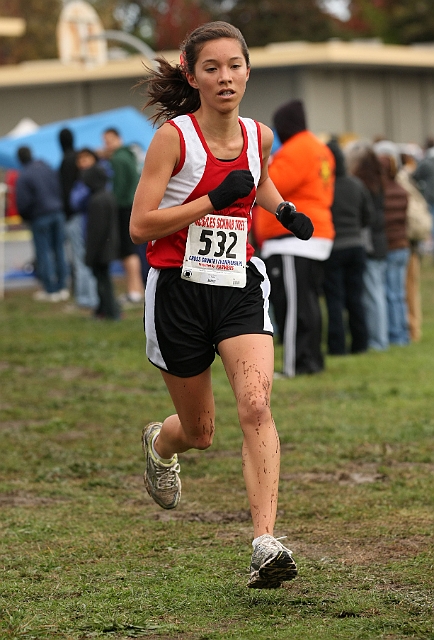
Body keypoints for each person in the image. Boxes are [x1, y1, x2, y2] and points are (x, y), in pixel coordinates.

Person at [130, 21, 313, 589]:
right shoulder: (175, 140)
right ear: (193, 75)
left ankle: (265, 542)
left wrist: (283, 213)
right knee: (200, 430)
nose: (225, 77)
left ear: (247, 69)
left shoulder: (259, 135)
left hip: (238, 285)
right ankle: (162, 445)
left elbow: (256, 182)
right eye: (211, 67)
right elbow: (140, 225)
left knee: (256, 406)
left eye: (234, 65)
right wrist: (212, 198)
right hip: (178, 291)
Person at [253, 99, 335, 377]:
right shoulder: (319, 148)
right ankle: (312, 360)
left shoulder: (296, 150)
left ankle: (294, 365)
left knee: (292, 306)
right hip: (316, 235)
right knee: (308, 304)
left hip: (291, 239)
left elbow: (269, 184)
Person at [323, 138, 373, 355]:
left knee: (334, 299)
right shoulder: (356, 184)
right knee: (356, 297)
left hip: (333, 248)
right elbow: (367, 216)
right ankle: (361, 344)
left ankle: (337, 346)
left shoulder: (325, 186)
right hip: (356, 246)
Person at [346, 141, 389, 351]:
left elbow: (367, 218)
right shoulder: (380, 181)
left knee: (373, 293)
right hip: (381, 242)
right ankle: (383, 337)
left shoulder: (362, 183)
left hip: (370, 244)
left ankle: (378, 341)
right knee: (380, 292)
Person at [70, 148, 121, 320]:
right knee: (104, 280)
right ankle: (103, 309)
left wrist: (90, 255)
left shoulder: (96, 201)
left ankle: (110, 311)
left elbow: (96, 232)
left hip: (100, 250)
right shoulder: (106, 196)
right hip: (107, 247)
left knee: (103, 282)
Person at [15, 146, 69, 302]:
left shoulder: (25, 175)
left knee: (43, 252)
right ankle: (63, 286)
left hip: (40, 216)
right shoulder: (46, 167)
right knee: (59, 250)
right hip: (57, 212)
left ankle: (50, 289)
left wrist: (26, 216)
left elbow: (23, 201)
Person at [102, 127, 145, 304]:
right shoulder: (129, 154)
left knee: (128, 251)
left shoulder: (118, 159)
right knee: (133, 250)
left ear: (118, 138)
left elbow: (118, 189)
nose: (107, 145)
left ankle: (134, 290)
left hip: (124, 208)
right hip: (133, 205)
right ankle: (137, 288)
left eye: (109, 140)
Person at [374, 140, 410, 346]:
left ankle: (392, 334)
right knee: (399, 294)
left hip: (388, 245)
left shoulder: (379, 191)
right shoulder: (401, 188)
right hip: (402, 245)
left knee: (388, 293)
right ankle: (402, 334)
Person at [58, 128, 98, 309]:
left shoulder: (66, 162)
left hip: (76, 217)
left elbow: (69, 196)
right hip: (88, 216)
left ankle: (85, 298)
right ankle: (90, 297)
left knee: (81, 258)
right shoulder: (86, 166)